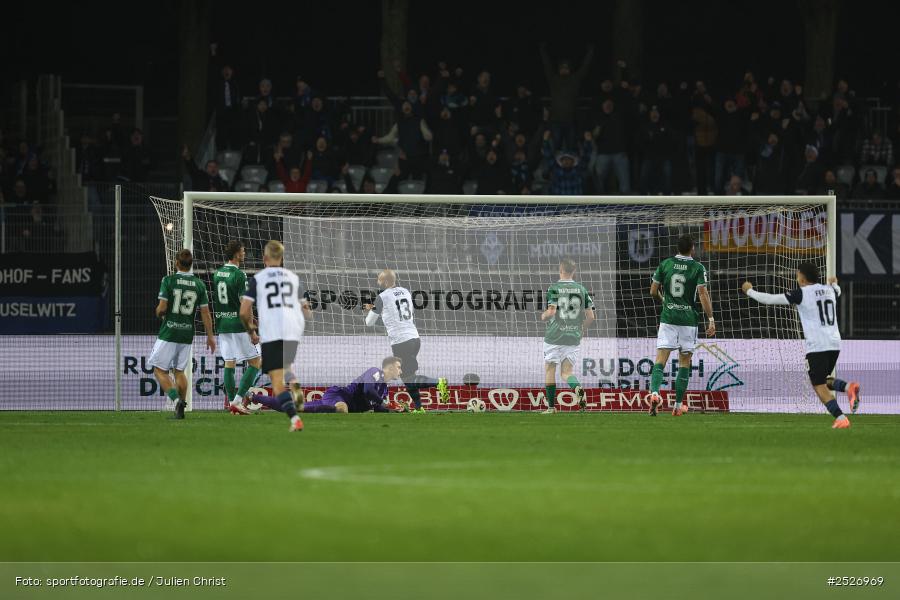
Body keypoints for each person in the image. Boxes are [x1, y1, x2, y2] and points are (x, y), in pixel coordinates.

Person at [742, 263, 860, 428]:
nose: (797, 278)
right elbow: (837, 291)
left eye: (798, 275)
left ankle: (841, 418)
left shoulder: (802, 294)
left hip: (817, 345)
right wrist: (834, 283)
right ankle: (848, 387)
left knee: (818, 384)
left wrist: (749, 291)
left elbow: (769, 299)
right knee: (823, 379)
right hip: (834, 343)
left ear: (803, 278)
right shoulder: (829, 290)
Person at [239, 240, 312, 432]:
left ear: (265, 258)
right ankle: (295, 384)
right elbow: (306, 311)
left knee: (277, 382)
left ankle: (295, 419)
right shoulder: (294, 278)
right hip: (294, 330)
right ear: (281, 258)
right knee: (287, 366)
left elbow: (244, 311)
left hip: (273, 331)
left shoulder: (259, 278)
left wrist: (251, 330)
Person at [646, 235, 715, 417]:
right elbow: (702, 293)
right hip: (688, 321)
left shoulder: (665, 264)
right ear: (692, 248)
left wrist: (664, 301)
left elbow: (653, 290)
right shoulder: (698, 267)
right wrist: (711, 318)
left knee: (660, 359)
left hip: (668, 318)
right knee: (684, 362)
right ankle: (677, 406)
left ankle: (654, 394)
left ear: (677, 248)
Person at [362, 269, 448, 412]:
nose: (378, 282)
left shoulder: (382, 297)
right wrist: (375, 308)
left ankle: (438, 382)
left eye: (380, 280)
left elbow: (369, 322)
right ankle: (419, 408)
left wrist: (370, 310)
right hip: (414, 338)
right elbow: (396, 309)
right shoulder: (405, 291)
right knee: (408, 376)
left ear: (386, 281)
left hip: (401, 341)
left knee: (408, 377)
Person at [148, 249, 216, 420]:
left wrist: (157, 312)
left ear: (176, 263)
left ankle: (177, 400)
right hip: (186, 334)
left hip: (169, 332)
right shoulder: (199, 284)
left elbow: (162, 308)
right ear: (191, 264)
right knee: (179, 372)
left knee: (159, 370)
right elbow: (205, 313)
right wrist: (210, 336)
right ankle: (181, 410)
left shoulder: (168, 281)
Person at [213, 241, 263, 415]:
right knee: (256, 363)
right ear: (235, 254)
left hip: (222, 324)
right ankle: (236, 401)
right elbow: (245, 305)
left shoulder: (217, 273)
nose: (245, 253)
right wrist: (252, 330)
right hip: (238, 325)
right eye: (242, 251)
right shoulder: (239, 275)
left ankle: (232, 404)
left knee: (229, 363)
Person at [540, 259, 595, 414]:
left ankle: (551, 408)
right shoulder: (581, 289)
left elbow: (551, 312)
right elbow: (591, 316)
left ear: (561, 270)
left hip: (554, 336)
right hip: (573, 336)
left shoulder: (554, 288)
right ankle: (577, 388)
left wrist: (543, 316)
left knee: (550, 369)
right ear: (574, 271)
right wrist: (581, 329)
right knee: (567, 373)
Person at [301, 357, 404, 413]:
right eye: (399, 367)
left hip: (347, 405)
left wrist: (394, 410)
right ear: (390, 368)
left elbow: (376, 407)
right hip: (339, 395)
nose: (401, 371)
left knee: (300, 407)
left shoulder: (384, 388)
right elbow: (368, 390)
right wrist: (383, 403)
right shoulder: (375, 372)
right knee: (342, 409)